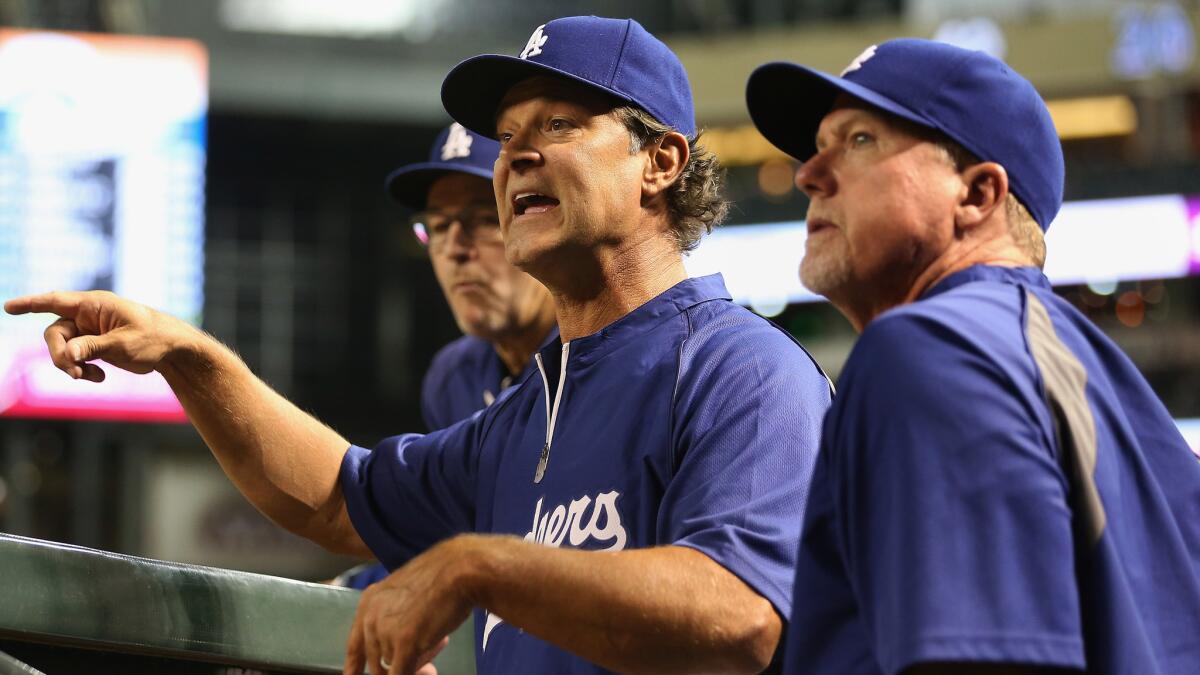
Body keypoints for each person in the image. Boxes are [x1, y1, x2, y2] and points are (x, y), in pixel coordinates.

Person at [7, 16, 833, 675]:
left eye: (558, 122)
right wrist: (191, 357)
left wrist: (481, 566)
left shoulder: (741, 370)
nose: (518, 156)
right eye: (507, 136)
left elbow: (738, 617)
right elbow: (333, 496)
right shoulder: (530, 407)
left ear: (660, 161)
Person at [745, 38, 1200, 674]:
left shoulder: (935, 349)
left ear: (978, 195)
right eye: (818, 146)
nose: (808, 174)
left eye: (859, 141)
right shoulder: (1099, 376)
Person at [334, 122, 558, 591]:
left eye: (482, 218)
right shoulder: (453, 374)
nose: (455, 248)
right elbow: (448, 537)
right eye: (437, 225)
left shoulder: (593, 361)